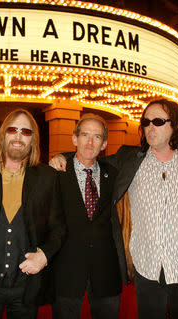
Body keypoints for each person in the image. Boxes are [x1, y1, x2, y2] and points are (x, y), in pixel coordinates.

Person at [50, 99, 178, 319]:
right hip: (146, 270)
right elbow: (89, 158)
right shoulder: (129, 160)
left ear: (175, 125)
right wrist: (63, 156)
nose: (150, 127)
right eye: (146, 122)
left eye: (157, 121)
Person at [0, 109, 66, 319]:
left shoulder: (47, 177)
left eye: (26, 132)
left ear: (33, 140)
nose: (18, 137)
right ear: (4, 135)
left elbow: (58, 227)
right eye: (13, 129)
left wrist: (44, 256)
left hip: (27, 287)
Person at [51, 114, 126, 319]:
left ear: (105, 144)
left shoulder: (115, 174)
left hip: (106, 271)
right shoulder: (55, 173)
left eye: (97, 137)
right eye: (85, 135)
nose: (90, 142)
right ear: (74, 138)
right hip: (66, 270)